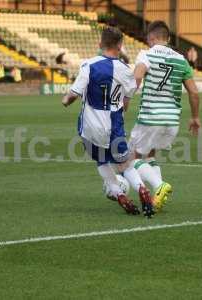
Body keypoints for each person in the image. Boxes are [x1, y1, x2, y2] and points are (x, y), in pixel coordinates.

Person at [62, 26, 155, 218]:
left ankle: (119, 194)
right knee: (125, 165)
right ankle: (141, 189)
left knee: (101, 161)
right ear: (120, 46)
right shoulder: (125, 70)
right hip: (114, 125)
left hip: (90, 126)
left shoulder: (88, 65)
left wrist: (65, 100)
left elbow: (72, 96)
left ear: (99, 44)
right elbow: (126, 103)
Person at [131, 20, 201, 212]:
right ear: (168, 38)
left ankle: (159, 186)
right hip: (171, 120)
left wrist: (125, 98)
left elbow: (137, 77)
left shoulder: (146, 54)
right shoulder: (181, 59)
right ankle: (159, 197)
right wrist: (195, 118)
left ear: (151, 38)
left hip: (150, 117)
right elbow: (194, 93)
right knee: (150, 155)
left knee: (132, 158)